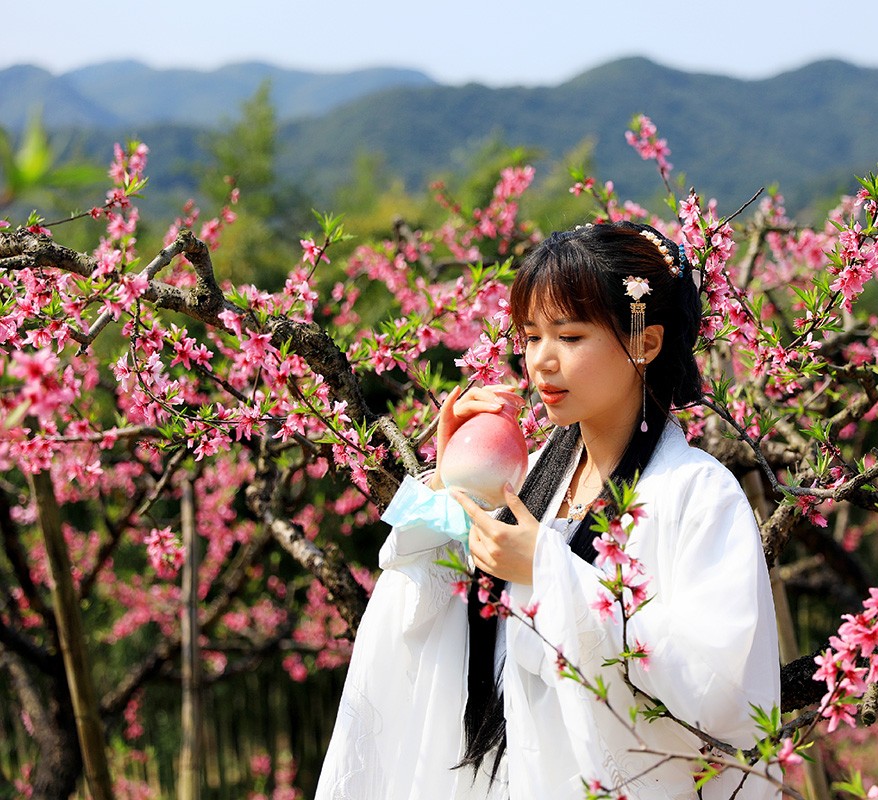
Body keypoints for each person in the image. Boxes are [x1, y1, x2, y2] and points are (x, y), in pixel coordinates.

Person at [316, 222, 780, 799]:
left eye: (570, 336)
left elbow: (726, 693)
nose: (541, 362)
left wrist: (550, 571)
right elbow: (427, 610)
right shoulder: (533, 476)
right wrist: (458, 475)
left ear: (646, 341)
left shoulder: (696, 494)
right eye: (531, 336)